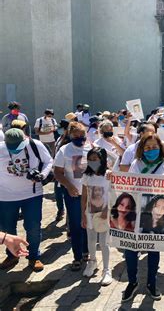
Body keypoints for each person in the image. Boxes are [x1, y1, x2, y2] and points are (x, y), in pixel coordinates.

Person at [122, 133, 164, 303]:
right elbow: (128, 186)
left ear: (160, 148)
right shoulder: (136, 164)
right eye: (147, 148)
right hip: (137, 213)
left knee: (154, 249)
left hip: (156, 216)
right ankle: (132, 282)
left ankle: (151, 283)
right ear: (142, 149)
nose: (151, 150)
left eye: (154, 147)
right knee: (131, 249)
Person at [0, 128, 52, 272]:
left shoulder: (35, 145)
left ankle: (34, 256)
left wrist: (42, 175)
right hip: (5, 197)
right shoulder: (1, 148)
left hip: (32, 195)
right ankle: (12, 255)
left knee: (33, 227)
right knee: (7, 229)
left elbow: (48, 161)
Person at [54, 122, 91, 271]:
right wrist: (68, 186)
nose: (80, 139)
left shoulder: (90, 148)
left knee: (88, 224)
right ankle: (77, 256)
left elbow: (97, 169)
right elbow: (57, 172)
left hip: (90, 194)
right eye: (76, 136)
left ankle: (87, 251)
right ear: (70, 135)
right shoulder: (64, 150)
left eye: (82, 136)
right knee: (76, 225)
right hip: (73, 194)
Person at [80, 147, 112, 286]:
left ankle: (106, 269)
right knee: (91, 240)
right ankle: (92, 262)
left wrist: (107, 210)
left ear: (102, 160)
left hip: (105, 214)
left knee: (104, 243)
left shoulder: (109, 175)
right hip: (90, 213)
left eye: (95, 159)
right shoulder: (86, 176)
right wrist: (83, 215)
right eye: (90, 159)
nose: (92, 162)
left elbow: (113, 195)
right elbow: (84, 197)